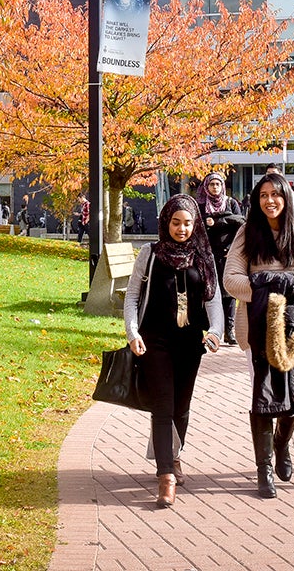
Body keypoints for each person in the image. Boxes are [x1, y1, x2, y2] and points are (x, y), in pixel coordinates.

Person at [223, 173, 294, 499]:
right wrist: (265, 287)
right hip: (258, 331)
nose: (270, 200)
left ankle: (282, 444)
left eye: (276, 194)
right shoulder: (247, 234)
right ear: (257, 199)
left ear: (287, 197)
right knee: (265, 398)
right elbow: (231, 279)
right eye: (264, 195)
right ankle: (264, 469)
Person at [123, 194, 223, 508]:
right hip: (155, 342)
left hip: (190, 343)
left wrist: (216, 332)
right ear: (166, 222)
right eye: (176, 222)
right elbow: (132, 297)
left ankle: (173, 456)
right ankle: (165, 476)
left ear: (195, 224)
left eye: (187, 223)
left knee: (181, 407)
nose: (181, 229)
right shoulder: (150, 253)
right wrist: (132, 332)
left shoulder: (203, 257)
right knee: (163, 407)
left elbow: (214, 301)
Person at [196, 171, 244, 345]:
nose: (215, 188)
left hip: (228, 255)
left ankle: (229, 330)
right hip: (208, 256)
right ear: (206, 187)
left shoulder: (231, 203)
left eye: (218, 184)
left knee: (229, 293)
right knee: (210, 291)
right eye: (211, 184)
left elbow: (241, 224)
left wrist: (217, 222)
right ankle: (213, 328)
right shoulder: (201, 205)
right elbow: (198, 227)